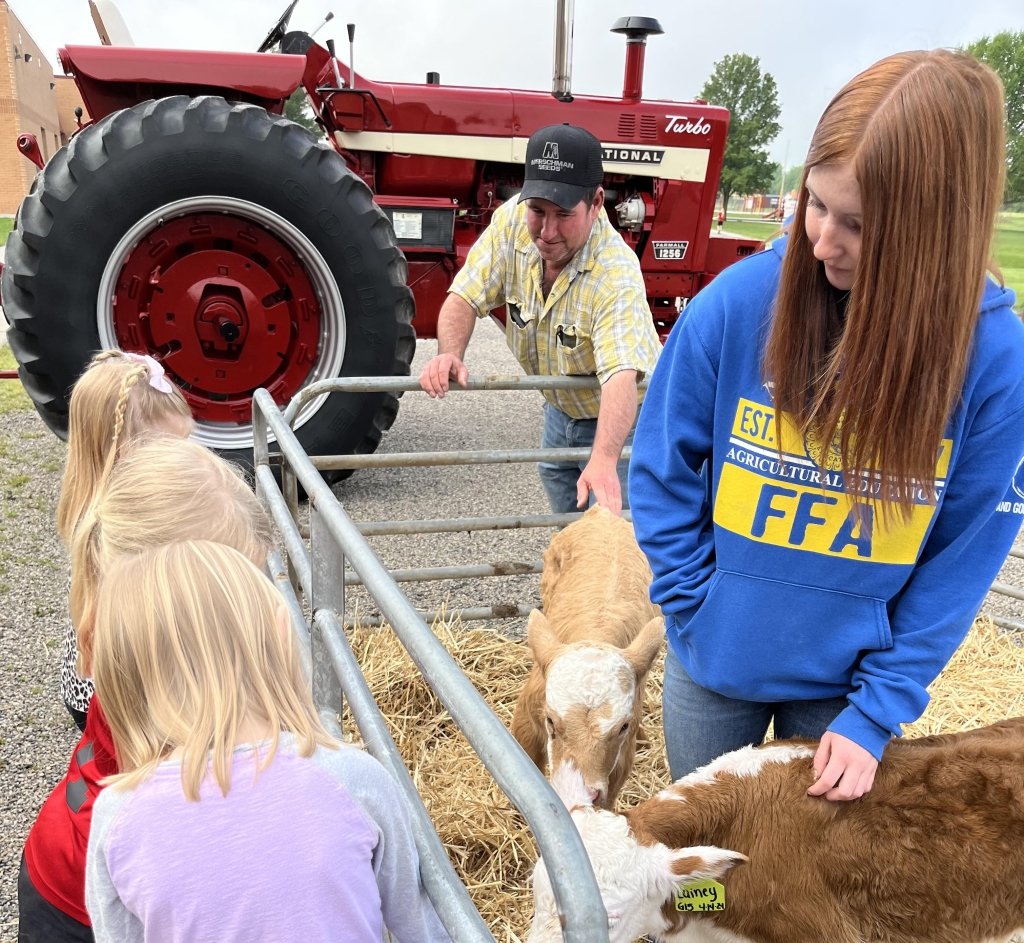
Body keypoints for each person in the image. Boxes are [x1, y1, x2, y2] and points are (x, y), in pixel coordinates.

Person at [629, 50, 1024, 802]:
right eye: (814, 203)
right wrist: (692, 603)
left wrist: (879, 708)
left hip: (845, 696)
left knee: (809, 887)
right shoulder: (738, 303)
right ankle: (703, 921)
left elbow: (962, 557)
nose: (821, 242)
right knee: (704, 865)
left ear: (935, 232)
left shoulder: (995, 361)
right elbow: (660, 463)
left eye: (859, 224)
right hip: (713, 664)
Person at [85, 541, 450, 943]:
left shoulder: (118, 817)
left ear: (122, 677)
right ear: (281, 632)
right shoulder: (353, 779)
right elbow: (424, 926)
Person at [19, 439, 271, 943]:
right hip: (88, 904)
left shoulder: (132, 637)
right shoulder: (159, 686)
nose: (255, 620)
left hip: (94, 873)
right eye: (238, 601)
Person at [419, 123, 660, 515]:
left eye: (563, 214)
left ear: (597, 202)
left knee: (617, 537)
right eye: (537, 210)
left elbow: (621, 374)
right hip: (559, 407)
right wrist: (451, 353)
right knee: (563, 504)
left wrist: (603, 460)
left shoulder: (614, 271)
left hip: (623, 423)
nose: (546, 231)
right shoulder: (511, 222)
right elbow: (464, 293)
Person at [55, 351, 193, 731]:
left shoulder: (97, 498)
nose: (183, 462)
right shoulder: (118, 526)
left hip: (104, 689)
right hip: (115, 702)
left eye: (186, 445)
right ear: (119, 452)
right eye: (167, 452)